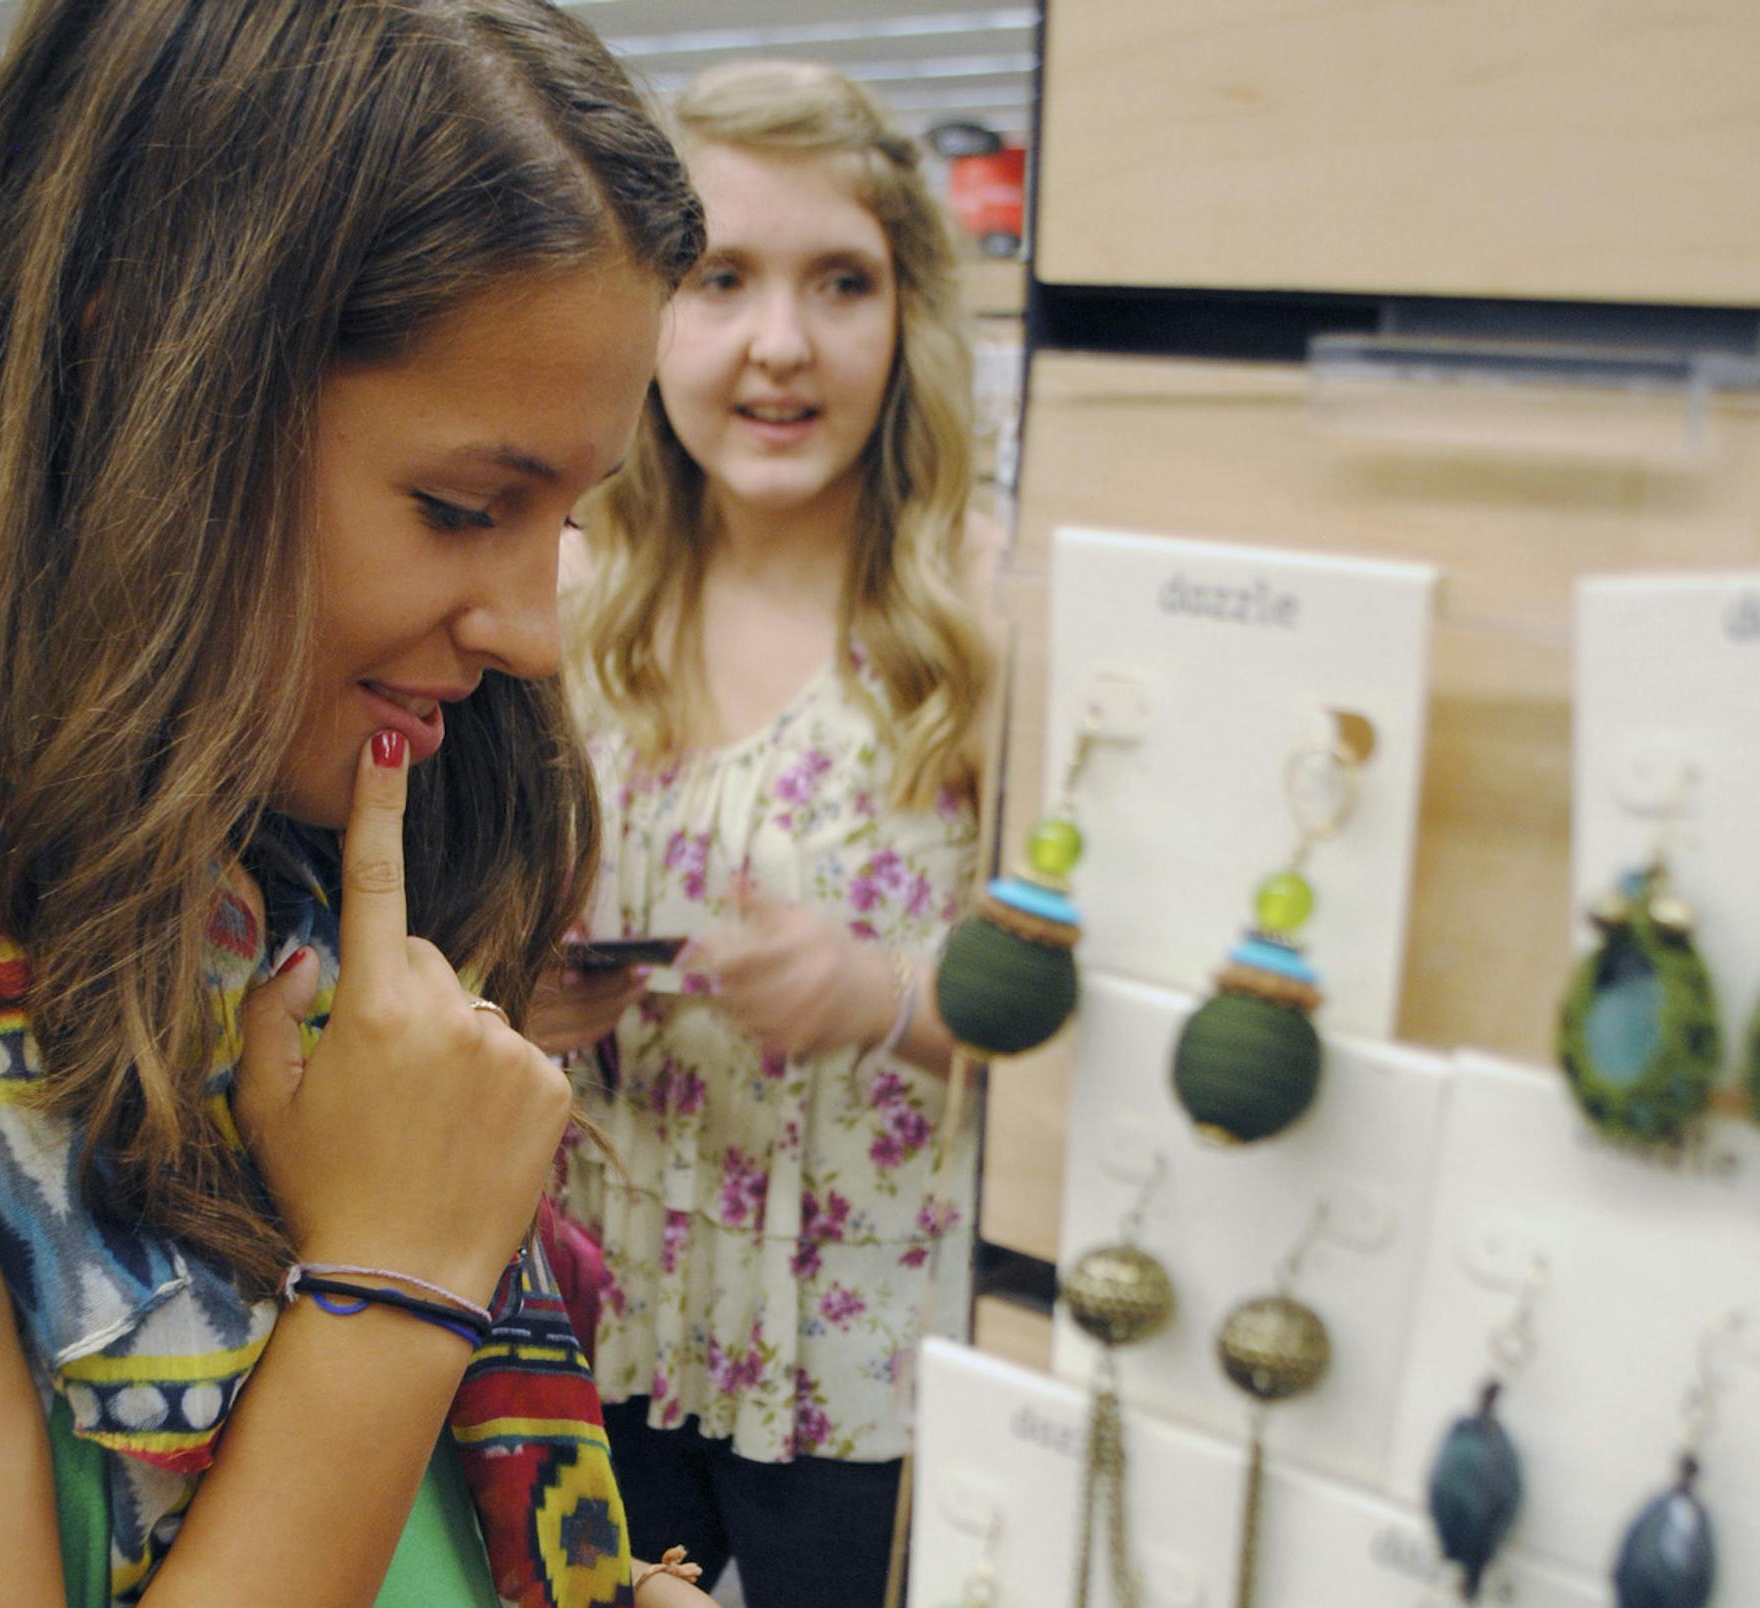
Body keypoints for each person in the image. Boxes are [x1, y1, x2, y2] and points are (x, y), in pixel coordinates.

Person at [0, 3, 722, 1605]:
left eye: (565, 518)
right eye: (461, 508)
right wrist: (394, 1288)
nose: (533, 629)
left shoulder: (279, 898)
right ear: (139, 387)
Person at [551, 58, 1004, 1608]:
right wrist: (520, 995)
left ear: (907, 314)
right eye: (721, 278)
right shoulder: (569, 597)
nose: (781, 345)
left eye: (842, 282)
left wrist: (880, 997)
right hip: (607, 1323)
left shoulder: (981, 623)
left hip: (868, 1373)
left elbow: (1086, 1033)